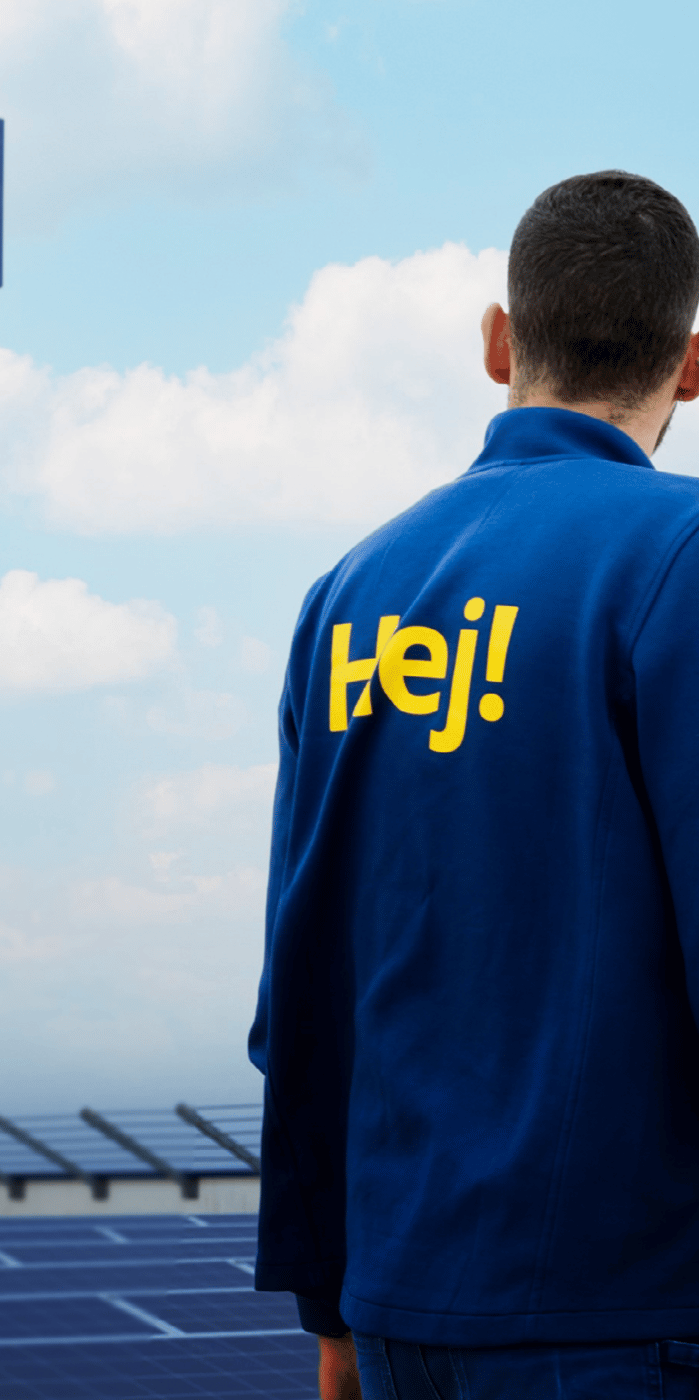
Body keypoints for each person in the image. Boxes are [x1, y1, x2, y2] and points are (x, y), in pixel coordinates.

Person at [249, 170, 699, 1400]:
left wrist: (328, 1299)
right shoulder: (675, 556)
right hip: (632, 1311)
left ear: (498, 342)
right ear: (692, 362)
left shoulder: (348, 593)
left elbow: (304, 981)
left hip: (399, 1307)